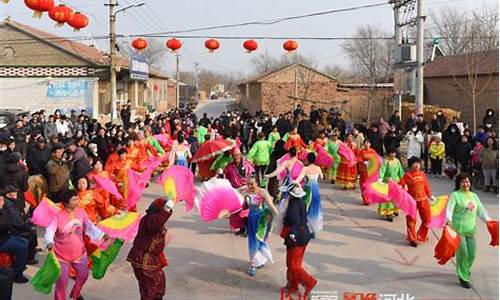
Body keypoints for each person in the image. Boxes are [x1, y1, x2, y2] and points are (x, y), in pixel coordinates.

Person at [44, 189, 105, 300]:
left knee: (83, 275)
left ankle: (75, 293)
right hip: (61, 255)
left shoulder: (81, 212)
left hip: (79, 253)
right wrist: (49, 242)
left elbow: (90, 226)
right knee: (62, 282)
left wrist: (101, 235)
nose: (77, 201)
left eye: (77, 198)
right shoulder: (58, 216)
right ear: (66, 203)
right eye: (74, 200)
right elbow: (49, 231)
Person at [446, 173, 492, 289]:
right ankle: (463, 277)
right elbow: (449, 209)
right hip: (458, 230)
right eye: (463, 182)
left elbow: (481, 210)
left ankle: (465, 269)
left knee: (472, 254)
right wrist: (449, 220)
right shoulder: (455, 195)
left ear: (470, 183)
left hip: (471, 230)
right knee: (463, 254)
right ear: (458, 183)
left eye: (467, 182)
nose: (465, 184)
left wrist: (488, 220)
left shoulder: (474, 196)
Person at [127, 198, 174, 300]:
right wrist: (166, 209)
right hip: (144, 259)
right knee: (149, 290)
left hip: (153, 259)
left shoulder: (154, 220)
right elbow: (156, 223)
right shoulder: (150, 220)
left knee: (159, 286)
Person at [281, 183, 317, 298]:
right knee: (292, 263)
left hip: (297, 238)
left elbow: (295, 222)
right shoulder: (299, 202)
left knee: (293, 265)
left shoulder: (294, 205)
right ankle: (292, 285)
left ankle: (309, 282)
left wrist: (292, 235)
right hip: (302, 236)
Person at [239, 176, 278, 276]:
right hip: (251, 219)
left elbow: (270, 204)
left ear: (257, 183)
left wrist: (278, 215)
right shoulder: (244, 192)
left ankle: (255, 263)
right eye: (248, 184)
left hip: (262, 220)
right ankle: (256, 262)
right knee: (253, 240)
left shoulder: (263, 192)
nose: (250, 186)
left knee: (259, 240)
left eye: (252, 184)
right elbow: (237, 204)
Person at [399, 157, 434, 247]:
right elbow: (400, 184)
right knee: (411, 220)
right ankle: (412, 238)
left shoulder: (422, 174)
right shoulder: (407, 175)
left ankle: (421, 235)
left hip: (423, 200)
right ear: (410, 165)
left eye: (418, 163)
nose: (417, 165)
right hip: (411, 201)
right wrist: (396, 186)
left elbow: (426, 186)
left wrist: (430, 195)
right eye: (415, 163)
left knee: (427, 219)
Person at [0, 190, 29, 283]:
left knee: (24, 241)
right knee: (21, 247)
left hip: (5, 236)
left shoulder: (5, 207)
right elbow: (5, 224)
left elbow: (10, 221)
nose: (2, 202)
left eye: (2, 199)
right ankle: (17, 274)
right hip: (2, 240)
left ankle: (18, 267)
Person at [294, 153, 323, 235]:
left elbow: (298, 179)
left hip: (308, 190)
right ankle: (313, 229)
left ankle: (307, 229)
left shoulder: (305, 169)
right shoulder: (318, 168)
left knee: (306, 209)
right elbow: (322, 177)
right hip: (316, 190)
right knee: (315, 209)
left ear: (307, 159)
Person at [378, 148, 404, 222]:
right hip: (387, 183)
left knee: (396, 198)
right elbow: (382, 171)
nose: (393, 155)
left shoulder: (397, 161)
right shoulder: (386, 161)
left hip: (396, 182)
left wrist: (403, 180)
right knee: (388, 199)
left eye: (394, 153)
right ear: (388, 153)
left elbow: (400, 171)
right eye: (391, 153)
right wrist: (380, 179)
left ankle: (395, 210)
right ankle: (388, 213)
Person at [357, 139, 379, 205]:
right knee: (363, 185)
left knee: (370, 185)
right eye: (365, 143)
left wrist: (372, 162)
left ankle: (370, 198)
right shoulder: (362, 151)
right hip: (364, 171)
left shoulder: (373, 151)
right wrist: (364, 162)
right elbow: (359, 159)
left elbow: (377, 158)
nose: (367, 144)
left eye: (368, 143)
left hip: (371, 171)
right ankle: (365, 199)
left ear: (370, 144)